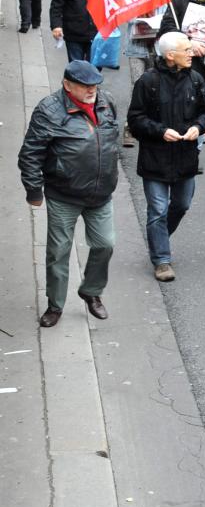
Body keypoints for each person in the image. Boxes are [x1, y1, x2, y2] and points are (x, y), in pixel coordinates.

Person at [19, 61, 120, 328]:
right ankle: (55, 305)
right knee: (58, 252)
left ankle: (91, 290)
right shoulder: (49, 110)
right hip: (64, 194)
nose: (92, 90)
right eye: (85, 85)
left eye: (94, 84)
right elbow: (30, 153)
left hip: (100, 194)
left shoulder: (106, 102)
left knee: (105, 244)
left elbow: (111, 139)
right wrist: (33, 190)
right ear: (67, 85)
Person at [127, 32, 205, 283]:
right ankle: (161, 260)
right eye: (186, 50)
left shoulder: (196, 80)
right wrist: (161, 131)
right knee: (157, 210)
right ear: (169, 55)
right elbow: (135, 120)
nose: (191, 53)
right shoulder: (148, 82)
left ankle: (158, 237)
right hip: (155, 158)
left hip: (186, 158)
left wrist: (199, 126)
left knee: (182, 205)